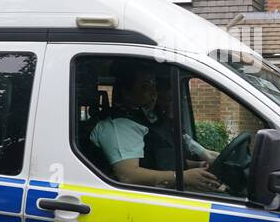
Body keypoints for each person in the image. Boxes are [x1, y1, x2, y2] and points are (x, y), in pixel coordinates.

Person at [89, 62, 220, 192]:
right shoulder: (119, 125)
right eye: (145, 87)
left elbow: (159, 160)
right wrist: (182, 177)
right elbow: (128, 175)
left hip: (164, 192)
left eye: (154, 86)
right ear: (126, 93)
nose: (153, 93)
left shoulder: (151, 121)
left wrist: (198, 166)